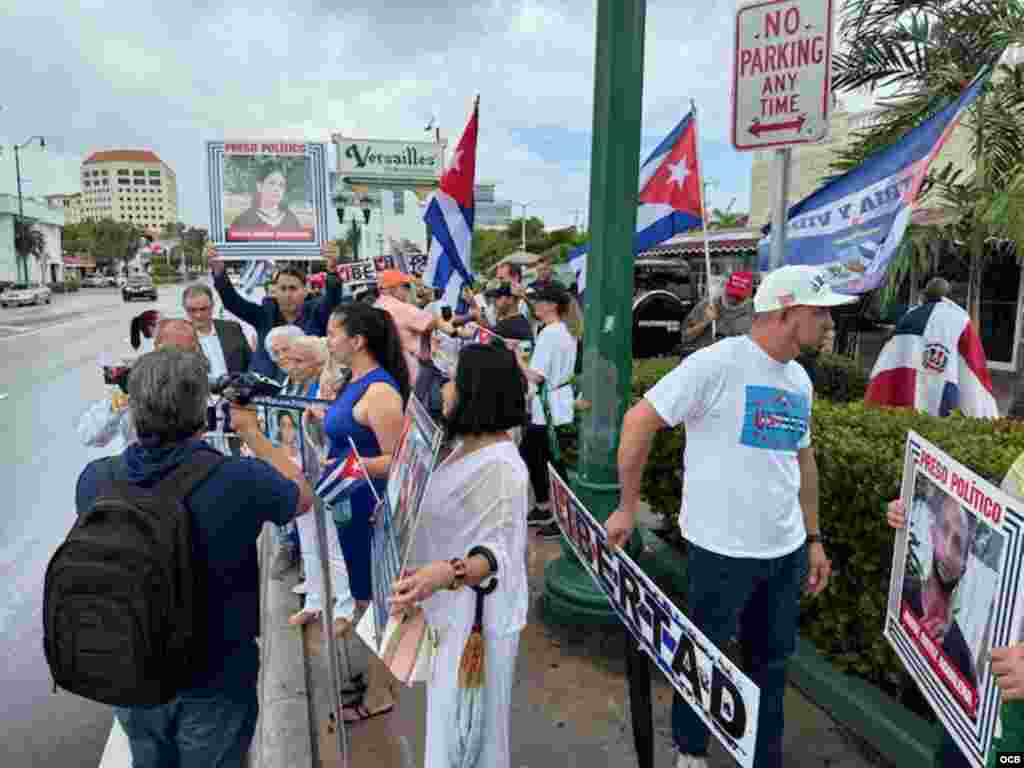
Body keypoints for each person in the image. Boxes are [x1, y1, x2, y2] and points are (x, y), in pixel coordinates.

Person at [605, 265, 851, 768]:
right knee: (703, 657)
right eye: (820, 310)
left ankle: (764, 756)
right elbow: (639, 422)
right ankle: (691, 750)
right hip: (720, 552)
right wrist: (626, 506)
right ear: (786, 312)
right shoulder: (717, 363)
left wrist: (814, 537)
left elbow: (801, 461)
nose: (828, 321)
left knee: (772, 665)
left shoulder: (799, 379)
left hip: (783, 554)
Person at [75, 347, 314, 768]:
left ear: (133, 409)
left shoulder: (96, 479)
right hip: (214, 675)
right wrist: (252, 434)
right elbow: (302, 495)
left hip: (132, 667)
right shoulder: (239, 479)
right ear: (202, 412)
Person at [390, 342, 530, 768]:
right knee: (451, 728)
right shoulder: (464, 444)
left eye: (453, 380)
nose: (445, 388)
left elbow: (497, 554)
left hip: (477, 622)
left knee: (471, 737)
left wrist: (445, 573)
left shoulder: (504, 467)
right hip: (448, 611)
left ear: (475, 390)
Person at [319, 303, 409, 723]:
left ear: (357, 341)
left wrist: (347, 467)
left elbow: (398, 460)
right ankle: (377, 678)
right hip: (348, 504)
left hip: (371, 509)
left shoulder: (381, 392)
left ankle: (378, 693)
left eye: (334, 333)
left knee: (376, 601)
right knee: (363, 596)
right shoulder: (353, 382)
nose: (328, 341)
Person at [865, 277, 999, 418]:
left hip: (907, 392)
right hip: (944, 389)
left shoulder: (909, 316)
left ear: (925, 295)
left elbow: (891, 356)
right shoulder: (961, 319)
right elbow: (974, 362)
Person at [207, 243, 341, 380]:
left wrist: (332, 271)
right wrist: (219, 272)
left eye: (293, 288)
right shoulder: (263, 315)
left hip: (303, 391)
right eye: (282, 288)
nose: (288, 294)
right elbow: (232, 302)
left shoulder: (317, 314)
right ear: (275, 291)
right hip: (262, 392)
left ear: (305, 290)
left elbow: (332, 300)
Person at [78, 319, 203, 449]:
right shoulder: (136, 382)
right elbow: (90, 436)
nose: (177, 358)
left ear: (196, 349)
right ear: (156, 347)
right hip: (144, 465)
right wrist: (124, 399)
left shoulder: (211, 384)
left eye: (184, 350)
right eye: (170, 350)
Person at [518, 283, 577, 541]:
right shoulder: (563, 330)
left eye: (539, 301)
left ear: (552, 305)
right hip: (556, 405)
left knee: (553, 465)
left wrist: (515, 357)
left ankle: (563, 519)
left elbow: (537, 376)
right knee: (535, 455)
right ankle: (546, 509)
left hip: (549, 410)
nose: (535, 305)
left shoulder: (550, 333)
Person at [373, 269, 453, 387]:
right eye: (405, 286)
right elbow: (431, 322)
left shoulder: (376, 306)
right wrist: (455, 331)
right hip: (412, 371)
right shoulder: (399, 307)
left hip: (388, 371)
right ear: (392, 288)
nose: (408, 290)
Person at [182, 283, 251, 379]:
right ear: (185, 309)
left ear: (212, 306)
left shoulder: (233, 329)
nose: (198, 315)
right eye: (192, 310)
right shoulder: (179, 338)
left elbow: (250, 363)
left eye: (203, 309)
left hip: (236, 391)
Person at [680, 270, 755, 352]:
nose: (733, 299)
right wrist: (705, 321)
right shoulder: (707, 305)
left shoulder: (753, 311)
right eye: (731, 294)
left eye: (739, 296)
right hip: (704, 358)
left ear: (748, 294)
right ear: (725, 287)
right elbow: (685, 337)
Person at [227, 165, 305, 238]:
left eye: (281, 185)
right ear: (259, 186)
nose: (277, 189)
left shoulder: (292, 220)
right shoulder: (243, 221)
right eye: (272, 183)